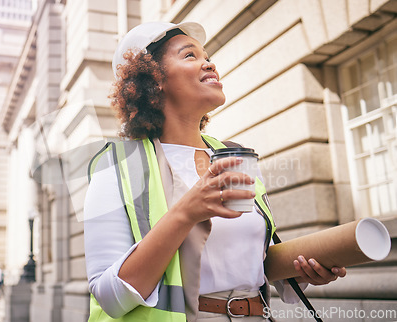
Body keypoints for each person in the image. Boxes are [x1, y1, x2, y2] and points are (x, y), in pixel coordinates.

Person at [84, 22, 346, 322]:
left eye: (207, 55)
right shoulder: (116, 168)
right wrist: (186, 213)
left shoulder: (234, 155)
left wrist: (303, 271)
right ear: (153, 80)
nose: (209, 63)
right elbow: (110, 298)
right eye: (189, 55)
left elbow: (249, 260)